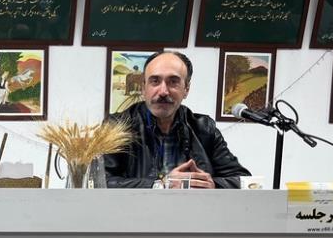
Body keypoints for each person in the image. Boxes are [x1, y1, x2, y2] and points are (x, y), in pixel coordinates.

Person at [104, 50, 250, 189]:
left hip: (192, 207)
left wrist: (211, 185)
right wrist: (161, 185)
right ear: (143, 88)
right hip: (138, 207)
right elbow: (100, 181)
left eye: (173, 82)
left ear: (186, 89)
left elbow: (243, 181)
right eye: (155, 81)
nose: (163, 91)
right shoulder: (117, 126)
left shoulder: (204, 128)